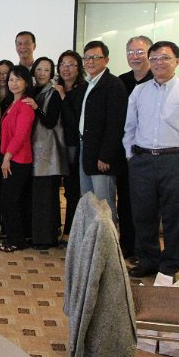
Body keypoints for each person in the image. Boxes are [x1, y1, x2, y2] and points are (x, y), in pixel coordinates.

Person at [124, 41, 179, 278]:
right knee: (143, 215)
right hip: (142, 160)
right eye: (155, 58)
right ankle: (147, 260)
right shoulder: (139, 91)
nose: (159, 62)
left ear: (176, 61)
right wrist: (131, 155)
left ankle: (169, 265)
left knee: (174, 216)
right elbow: (130, 127)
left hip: (176, 161)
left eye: (165, 58)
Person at [78, 41, 128, 225]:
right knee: (88, 201)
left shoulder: (113, 85)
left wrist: (106, 156)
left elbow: (116, 124)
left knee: (104, 206)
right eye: (86, 58)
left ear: (106, 60)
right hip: (86, 149)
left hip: (102, 156)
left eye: (95, 57)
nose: (90, 61)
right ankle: (93, 241)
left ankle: (107, 243)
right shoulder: (88, 84)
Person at [117, 35, 154, 259]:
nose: (135, 57)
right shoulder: (121, 81)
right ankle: (127, 246)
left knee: (146, 206)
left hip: (150, 154)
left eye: (140, 52)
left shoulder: (157, 81)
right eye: (131, 52)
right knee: (125, 202)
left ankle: (145, 252)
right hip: (126, 152)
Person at [27, 56, 67, 249]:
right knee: (37, 196)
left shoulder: (54, 93)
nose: (42, 73)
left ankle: (46, 238)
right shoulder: (33, 91)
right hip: (34, 150)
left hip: (49, 152)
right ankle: (38, 235)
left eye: (46, 70)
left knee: (47, 196)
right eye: (39, 69)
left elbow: (50, 122)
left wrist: (36, 108)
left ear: (52, 73)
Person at [0, 65, 35, 253]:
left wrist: (7, 158)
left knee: (11, 201)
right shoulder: (12, 103)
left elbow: (21, 135)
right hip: (10, 158)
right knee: (9, 200)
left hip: (18, 160)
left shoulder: (26, 105)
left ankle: (16, 241)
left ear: (26, 82)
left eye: (18, 79)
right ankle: (14, 237)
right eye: (11, 79)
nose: (13, 83)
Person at [55, 50, 86, 238]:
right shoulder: (55, 88)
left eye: (71, 65)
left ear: (78, 68)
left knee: (73, 190)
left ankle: (71, 232)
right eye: (63, 64)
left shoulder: (83, 90)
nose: (66, 69)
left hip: (73, 145)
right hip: (56, 145)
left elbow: (74, 121)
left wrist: (62, 96)